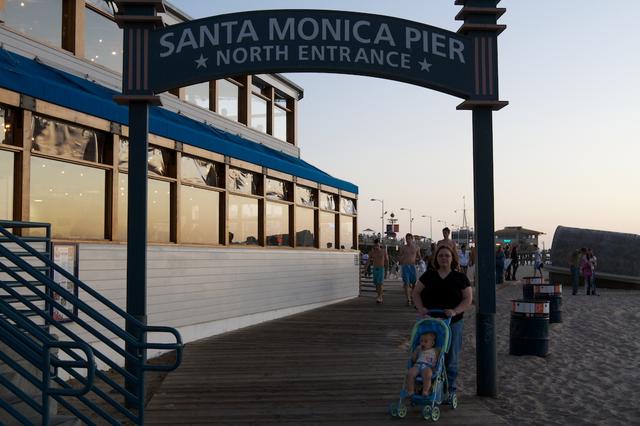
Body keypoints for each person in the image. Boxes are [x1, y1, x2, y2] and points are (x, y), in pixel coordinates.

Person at [412, 245, 473, 401]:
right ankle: (425, 388)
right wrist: (421, 309)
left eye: (447, 256)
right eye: (441, 256)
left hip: (452, 322)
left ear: (453, 258)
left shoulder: (460, 278)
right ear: (436, 259)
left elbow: (468, 299)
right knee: (427, 355)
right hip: (430, 323)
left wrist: (455, 311)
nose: (444, 258)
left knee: (450, 358)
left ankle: (449, 389)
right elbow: (416, 293)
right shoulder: (428, 276)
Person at [406, 332, 439, 397]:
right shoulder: (419, 349)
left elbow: (440, 358)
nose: (423, 343)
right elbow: (413, 359)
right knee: (410, 373)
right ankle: (410, 391)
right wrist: (416, 351)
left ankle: (425, 390)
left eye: (426, 341)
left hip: (428, 366)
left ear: (432, 343)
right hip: (417, 365)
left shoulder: (435, 350)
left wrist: (435, 366)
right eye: (421, 341)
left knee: (428, 374)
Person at [398, 233, 421, 306]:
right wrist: (401, 259)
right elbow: (399, 256)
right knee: (407, 283)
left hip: (413, 266)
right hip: (405, 266)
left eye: (409, 239)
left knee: (414, 283)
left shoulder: (416, 247)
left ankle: (412, 296)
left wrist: (418, 260)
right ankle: (408, 300)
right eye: (406, 239)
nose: (408, 240)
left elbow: (419, 257)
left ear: (412, 239)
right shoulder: (403, 247)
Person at [367, 239, 389, 304]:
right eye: (375, 245)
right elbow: (368, 261)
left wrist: (386, 271)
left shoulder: (384, 251)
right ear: (374, 245)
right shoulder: (372, 252)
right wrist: (365, 269)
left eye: (377, 244)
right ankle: (379, 295)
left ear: (379, 244)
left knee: (380, 284)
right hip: (375, 269)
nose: (376, 246)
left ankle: (380, 297)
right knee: (376, 284)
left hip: (381, 269)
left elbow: (387, 261)